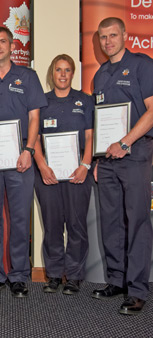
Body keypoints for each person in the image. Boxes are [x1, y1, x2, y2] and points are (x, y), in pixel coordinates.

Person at [0, 27, 47, 298]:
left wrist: (29, 150)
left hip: (20, 160)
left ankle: (19, 276)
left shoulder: (28, 77)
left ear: (12, 46)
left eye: (3, 42)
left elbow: (35, 117)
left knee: (19, 218)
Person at [91, 17, 153, 315]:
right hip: (107, 161)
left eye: (113, 35)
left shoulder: (143, 65)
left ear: (125, 35)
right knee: (111, 221)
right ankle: (117, 280)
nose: (108, 41)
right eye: (103, 37)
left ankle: (138, 289)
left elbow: (152, 111)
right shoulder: (100, 76)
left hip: (135, 154)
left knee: (137, 221)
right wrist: (97, 157)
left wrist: (125, 142)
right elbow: (100, 122)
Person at [33, 54, 94, 295]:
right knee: (52, 224)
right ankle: (55, 274)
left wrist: (85, 165)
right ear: (52, 73)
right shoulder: (41, 102)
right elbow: (34, 138)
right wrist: (42, 165)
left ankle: (75, 276)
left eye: (67, 70)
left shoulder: (85, 101)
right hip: (47, 171)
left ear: (73, 73)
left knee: (77, 224)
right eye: (58, 70)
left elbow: (90, 136)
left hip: (77, 170)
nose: (63, 74)